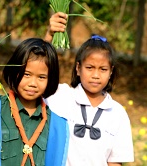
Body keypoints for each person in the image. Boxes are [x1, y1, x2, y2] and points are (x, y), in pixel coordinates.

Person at [0, 38, 68, 166]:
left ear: (50, 80)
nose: (32, 83)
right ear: (15, 72)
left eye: (41, 77)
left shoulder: (56, 125)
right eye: (26, 74)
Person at [45, 13, 134, 165]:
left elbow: (115, 162)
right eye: (90, 67)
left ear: (111, 71)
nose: (96, 75)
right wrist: (49, 35)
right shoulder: (62, 96)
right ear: (78, 68)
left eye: (103, 69)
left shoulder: (118, 114)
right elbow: (38, 71)